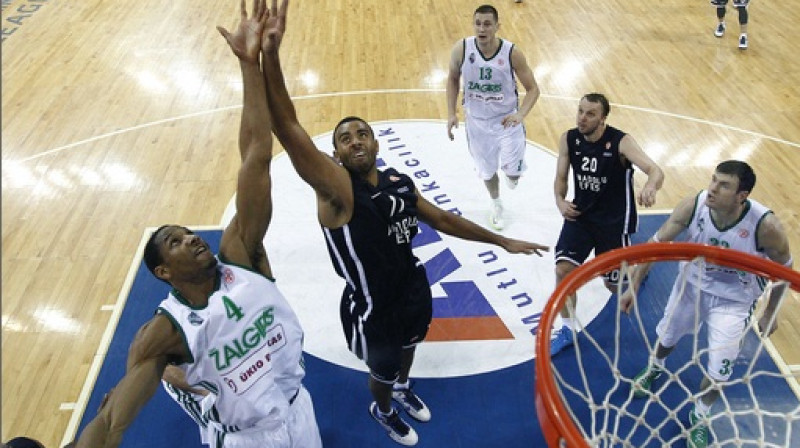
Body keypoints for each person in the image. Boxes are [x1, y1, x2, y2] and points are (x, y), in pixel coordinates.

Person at [258, 1, 549, 445]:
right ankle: (383, 405)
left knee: (411, 347)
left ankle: (401, 387)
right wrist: (271, 56)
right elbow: (288, 126)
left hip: (413, 285)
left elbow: (445, 220)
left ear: (375, 142)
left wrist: (502, 241)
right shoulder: (336, 191)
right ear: (335, 154)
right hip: (372, 305)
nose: (354, 141)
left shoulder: (397, 181)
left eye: (361, 133)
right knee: (383, 365)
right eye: (344, 138)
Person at [71, 1, 322, 446]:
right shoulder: (167, 331)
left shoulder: (242, 254)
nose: (190, 238)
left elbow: (256, 157)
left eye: (187, 233)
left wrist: (251, 64)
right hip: (247, 439)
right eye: (175, 241)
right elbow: (113, 422)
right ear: (163, 272)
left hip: (297, 409)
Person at [620, 160, 792, 448]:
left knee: (718, 370)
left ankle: (700, 414)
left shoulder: (765, 226)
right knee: (667, 336)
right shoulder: (695, 205)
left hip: (735, 300)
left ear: (742, 196)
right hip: (692, 285)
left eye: (723, 185)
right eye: (713, 180)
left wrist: (772, 311)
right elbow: (656, 243)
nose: (712, 188)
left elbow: (785, 268)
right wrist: (634, 284)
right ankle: (656, 366)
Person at [549, 93, 664, 356]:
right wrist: (559, 200)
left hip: (613, 223)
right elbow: (560, 176)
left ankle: (637, 272)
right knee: (563, 270)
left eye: (590, 114)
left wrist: (650, 186)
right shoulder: (569, 139)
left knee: (612, 285)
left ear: (603, 118)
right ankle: (567, 328)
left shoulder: (621, 142)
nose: (582, 117)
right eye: (580, 111)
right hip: (581, 216)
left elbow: (656, 170)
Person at [446, 4, 541, 230]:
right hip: (477, 124)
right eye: (478, 23)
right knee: (487, 172)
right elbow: (451, 79)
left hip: (506, 121)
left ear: (497, 27)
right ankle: (496, 203)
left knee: (513, 175)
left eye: (487, 24)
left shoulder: (512, 53)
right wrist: (451, 113)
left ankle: (512, 173)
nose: (482, 28)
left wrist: (521, 114)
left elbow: (533, 89)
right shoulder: (461, 49)